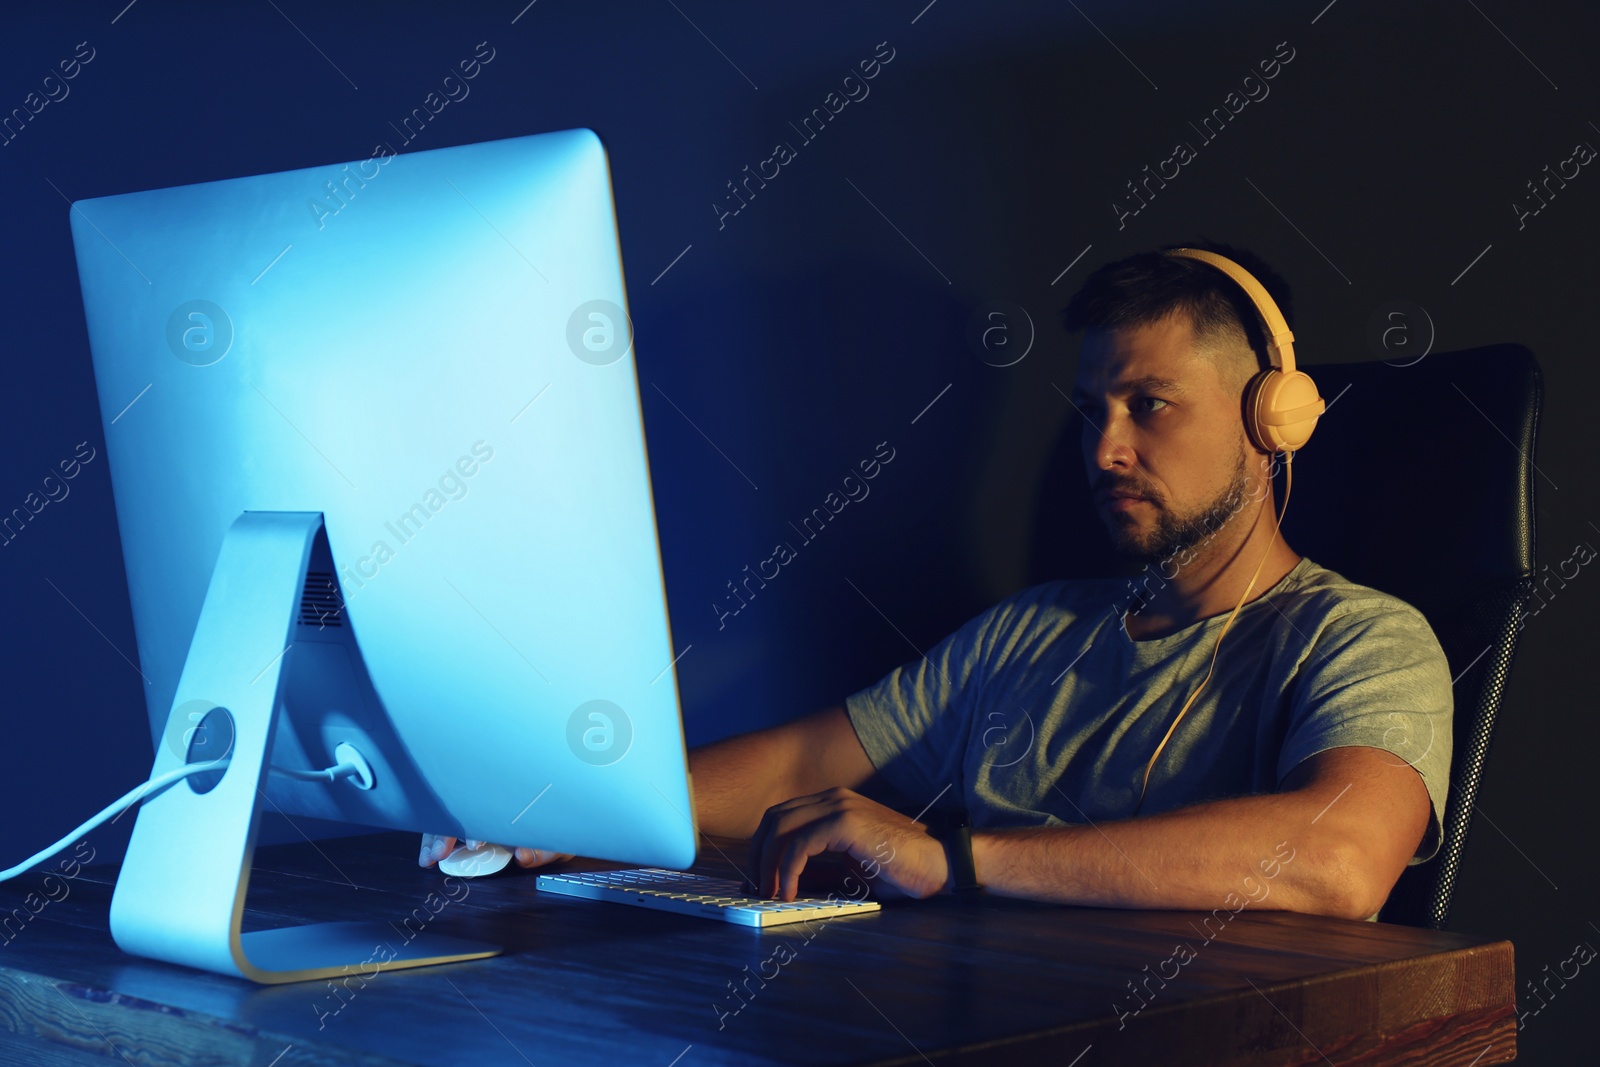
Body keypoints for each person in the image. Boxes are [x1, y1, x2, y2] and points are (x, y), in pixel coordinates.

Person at [422, 241, 1452, 922]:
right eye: (1093, 410)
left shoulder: (1358, 637)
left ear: (1272, 419)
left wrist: (954, 860)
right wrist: (576, 809)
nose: (1104, 448)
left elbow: (1341, 860)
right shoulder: (1033, 630)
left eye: (1149, 404)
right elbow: (802, 758)